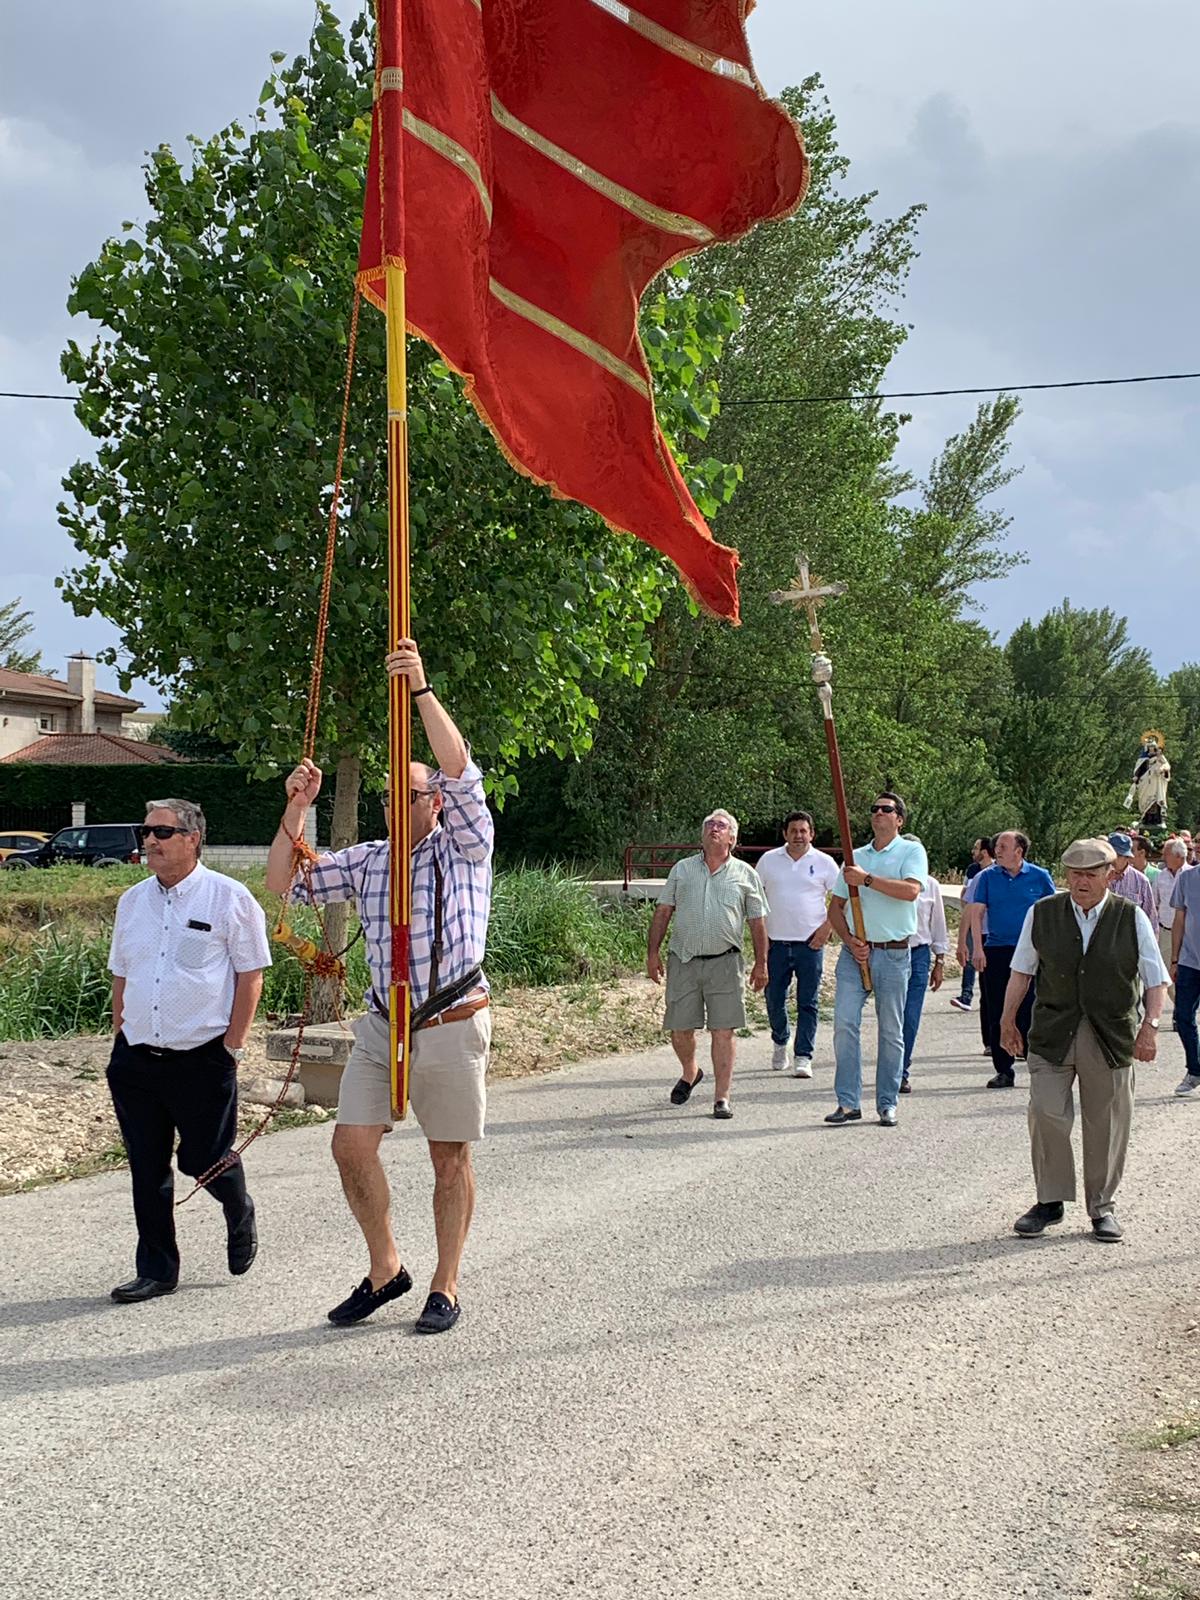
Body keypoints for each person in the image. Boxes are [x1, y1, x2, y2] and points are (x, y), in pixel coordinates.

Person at [265, 640, 492, 1335]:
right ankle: (387, 1267)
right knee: (350, 1145)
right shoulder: (366, 861)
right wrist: (296, 810)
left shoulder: (465, 845)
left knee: (447, 1158)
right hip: (380, 1025)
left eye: (410, 793)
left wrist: (420, 689)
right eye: (390, 794)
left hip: (450, 1018)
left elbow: (458, 766)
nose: (397, 803)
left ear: (437, 805)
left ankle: (445, 1284)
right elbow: (282, 882)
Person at [106, 798, 271, 1303]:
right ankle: (157, 1269)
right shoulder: (132, 901)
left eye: (161, 831)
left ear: (193, 838)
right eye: (145, 830)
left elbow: (251, 974)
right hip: (136, 1057)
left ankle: (237, 1206)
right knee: (146, 1166)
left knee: (204, 1158)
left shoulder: (230, 898)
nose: (149, 840)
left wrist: (234, 1045)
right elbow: (121, 972)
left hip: (202, 1056)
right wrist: (119, 1033)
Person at [1004, 838, 1168, 1242]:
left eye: (1090, 874)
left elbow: (1156, 979)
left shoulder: (1131, 918)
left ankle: (1102, 1207)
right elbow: (1022, 971)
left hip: (1110, 1035)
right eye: (1074, 873)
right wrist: (1007, 1021)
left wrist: (1150, 1027)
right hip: (1052, 1032)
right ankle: (1050, 1200)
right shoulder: (1042, 914)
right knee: (1045, 1112)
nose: (1081, 881)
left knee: (1107, 1123)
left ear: (1109, 875)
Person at [647, 809, 768, 1120]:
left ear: (732, 838)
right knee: (679, 1030)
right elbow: (663, 911)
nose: (714, 828)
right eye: (709, 825)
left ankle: (722, 1097)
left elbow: (757, 922)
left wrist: (761, 964)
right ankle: (691, 1071)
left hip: (726, 963)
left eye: (721, 825)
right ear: (702, 835)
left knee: (723, 1031)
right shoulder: (682, 870)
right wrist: (652, 953)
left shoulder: (745, 874)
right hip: (683, 960)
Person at [823, 792, 927, 1128]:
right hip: (856, 954)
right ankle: (848, 1102)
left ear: (899, 819)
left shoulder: (911, 851)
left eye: (887, 810)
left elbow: (911, 891)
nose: (879, 814)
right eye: (874, 809)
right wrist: (851, 942)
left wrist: (866, 880)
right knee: (844, 1024)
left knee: (890, 1031)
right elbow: (835, 909)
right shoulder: (856, 857)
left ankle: (887, 1102)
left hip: (894, 953)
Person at [964, 830, 1056, 1087]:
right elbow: (977, 913)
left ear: (1019, 851)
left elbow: (1051, 913)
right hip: (997, 948)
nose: (998, 850)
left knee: (1031, 1006)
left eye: (1004, 846)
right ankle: (1004, 1069)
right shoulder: (987, 878)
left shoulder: (1040, 876)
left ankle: (1034, 1059)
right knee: (997, 1008)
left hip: (1031, 950)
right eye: (996, 846)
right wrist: (977, 949)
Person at [755, 810, 838, 1077]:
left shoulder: (825, 863)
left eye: (803, 831)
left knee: (808, 1002)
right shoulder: (769, 861)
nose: (798, 836)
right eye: (793, 831)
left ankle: (804, 1055)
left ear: (811, 834)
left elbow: (841, 900)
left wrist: (826, 929)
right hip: (776, 943)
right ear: (785, 834)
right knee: (774, 998)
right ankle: (781, 1040)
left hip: (810, 944)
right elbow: (756, 900)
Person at [902, 873, 948, 1092]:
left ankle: (901, 1070)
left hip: (918, 953)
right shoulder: (887, 879)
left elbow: (938, 924)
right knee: (890, 1015)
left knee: (910, 1015)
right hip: (888, 951)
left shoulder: (930, 885)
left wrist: (939, 960)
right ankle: (891, 1066)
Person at [952, 837, 994, 1021]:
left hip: (991, 929)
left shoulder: (996, 872)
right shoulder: (973, 871)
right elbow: (965, 897)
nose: (972, 851)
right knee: (969, 958)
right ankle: (966, 996)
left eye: (976, 848)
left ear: (984, 852)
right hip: (973, 922)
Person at [1170, 855, 1200, 1096]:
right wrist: (1174, 959)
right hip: (1190, 962)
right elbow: (1179, 918)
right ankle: (1195, 1069)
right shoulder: (1186, 878)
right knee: (1182, 1017)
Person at [1155, 838, 1190, 1004]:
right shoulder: (1160, 876)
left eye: (1166, 854)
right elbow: (1154, 904)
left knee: (1189, 974)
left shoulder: (1192, 875)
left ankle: (1183, 1011)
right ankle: (1180, 1006)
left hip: (1190, 935)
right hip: (1166, 932)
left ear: (1177, 856)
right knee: (1165, 974)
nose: (1163, 857)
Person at [1107, 832, 1158, 931]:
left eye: (1118, 855)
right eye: (1110, 854)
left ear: (1127, 858)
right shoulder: (1098, 877)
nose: (1112, 859)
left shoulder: (1141, 881)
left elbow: (1151, 918)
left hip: (1131, 937)